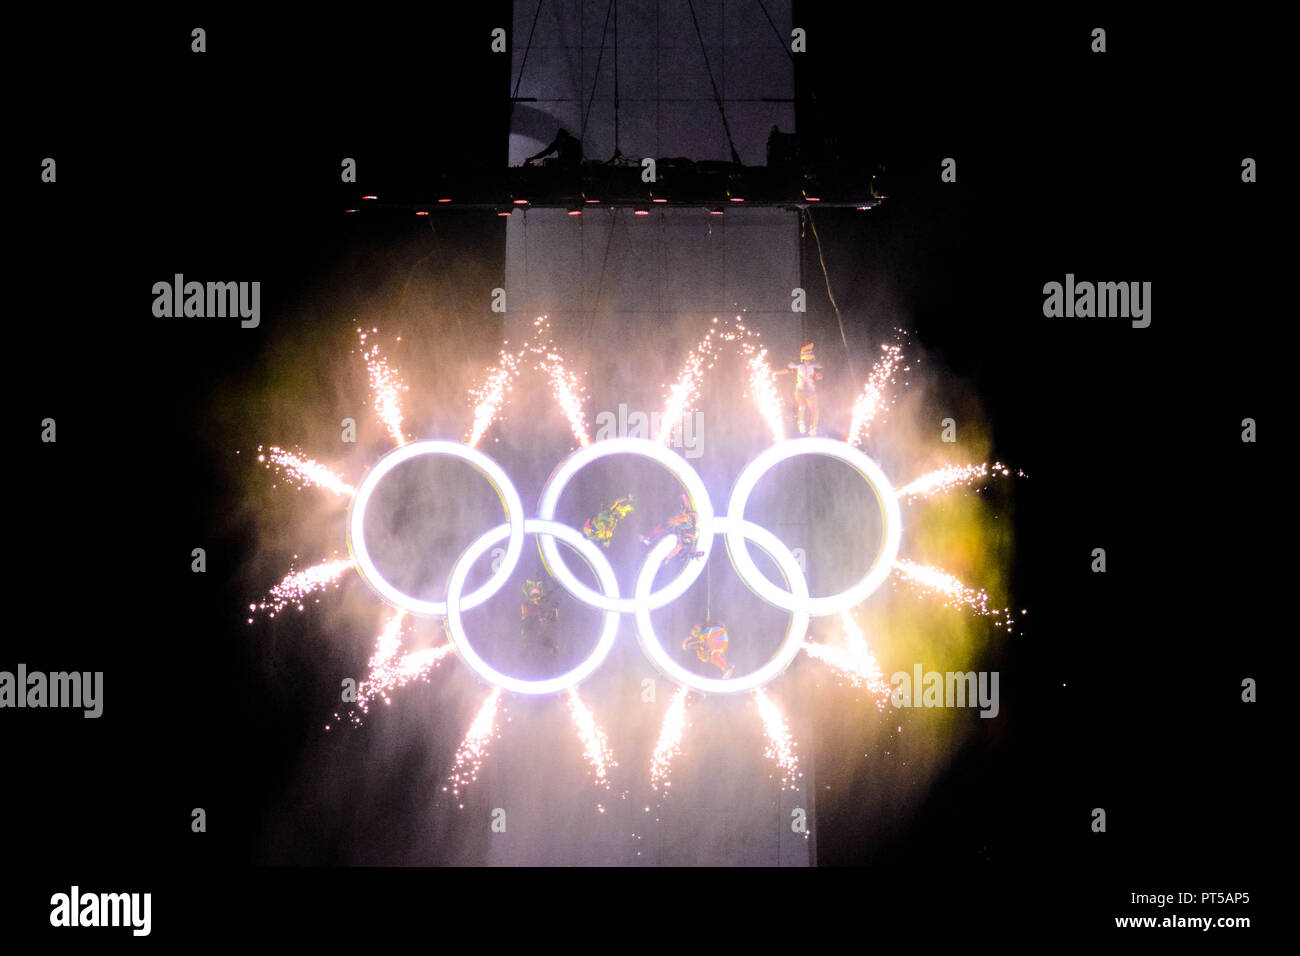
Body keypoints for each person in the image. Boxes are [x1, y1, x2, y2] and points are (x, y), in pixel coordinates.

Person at [640, 493, 705, 561]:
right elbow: (688, 507)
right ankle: (649, 538)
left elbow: (680, 546)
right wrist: (683, 495)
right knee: (664, 524)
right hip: (684, 525)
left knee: (665, 526)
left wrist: (668, 557)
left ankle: (649, 539)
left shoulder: (687, 536)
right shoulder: (691, 517)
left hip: (682, 534)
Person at [780, 342, 822, 436]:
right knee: (802, 406)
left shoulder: (815, 366)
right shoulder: (798, 366)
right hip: (800, 391)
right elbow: (786, 370)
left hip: (811, 392)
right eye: (807, 360)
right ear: (803, 359)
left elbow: (819, 373)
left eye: (810, 360)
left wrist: (819, 376)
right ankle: (801, 423)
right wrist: (774, 372)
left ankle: (813, 428)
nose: (808, 362)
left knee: (815, 410)